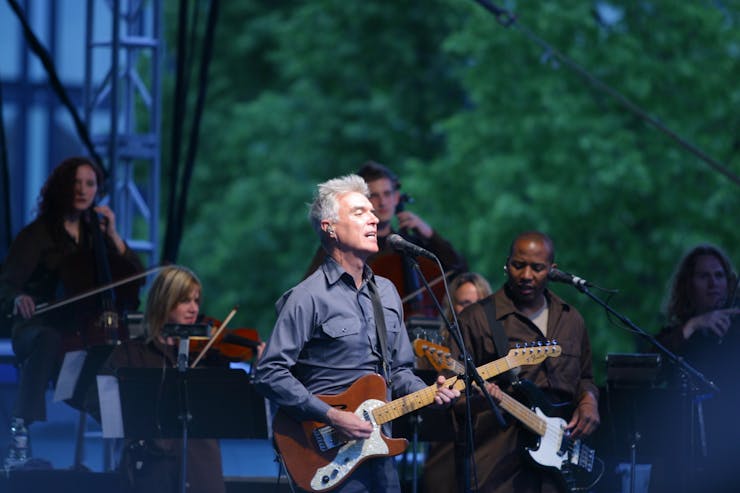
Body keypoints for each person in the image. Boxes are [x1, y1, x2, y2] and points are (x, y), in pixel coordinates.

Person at [254, 174, 459, 493]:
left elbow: (399, 371)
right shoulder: (307, 297)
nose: (374, 219)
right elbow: (269, 373)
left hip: (380, 451)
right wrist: (331, 415)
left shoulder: (387, 293)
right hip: (325, 453)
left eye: (372, 212)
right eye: (360, 212)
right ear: (330, 228)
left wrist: (429, 393)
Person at [0, 156, 143, 468]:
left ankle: (130, 445)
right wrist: (18, 297)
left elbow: (134, 275)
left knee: (112, 363)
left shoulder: (97, 235)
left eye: (90, 184)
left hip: (81, 332)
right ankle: (22, 427)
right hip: (39, 325)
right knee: (50, 340)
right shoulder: (38, 234)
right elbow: (6, 283)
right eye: (76, 183)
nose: (82, 190)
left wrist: (113, 234)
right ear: (62, 187)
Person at [451, 231, 600, 493]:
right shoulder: (476, 319)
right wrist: (484, 398)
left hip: (559, 465)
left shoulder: (571, 319)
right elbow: (452, 392)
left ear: (552, 270)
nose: (526, 275)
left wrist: (589, 401)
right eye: (518, 265)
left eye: (537, 268)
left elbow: (585, 377)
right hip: (498, 469)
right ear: (507, 265)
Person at [100, 265, 226, 493]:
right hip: (151, 468)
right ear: (164, 301)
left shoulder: (206, 354)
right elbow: (100, 403)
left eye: (196, 301)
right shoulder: (130, 354)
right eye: (185, 301)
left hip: (201, 468)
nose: (194, 309)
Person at [654, 244, 740, 492]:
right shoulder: (677, 335)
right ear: (688, 285)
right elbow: (652, 365)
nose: (713, 284)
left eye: (719, 276)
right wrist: (693, 325)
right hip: (686, 456)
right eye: (703, 276)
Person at [304, 161, 468, 282]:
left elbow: (459, 270)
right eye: (374, 195)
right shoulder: (342, 245)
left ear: (396, 197)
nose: (382, 202)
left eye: (387, 194)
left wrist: (430, 235)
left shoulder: (408, 246)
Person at [421, 271, 493, 493]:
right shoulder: (440, 350)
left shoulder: (497, 345)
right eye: (464, 304)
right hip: (447, 445)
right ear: (452, 308)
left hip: (491, 445)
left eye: (477, 303)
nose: (471, 310)